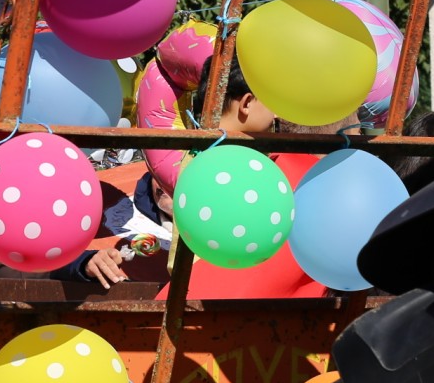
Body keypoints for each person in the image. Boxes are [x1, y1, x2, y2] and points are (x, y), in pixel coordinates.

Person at [61, 73, 280, 289]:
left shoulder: (252, 213)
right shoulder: (110, 202)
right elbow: (48, 259)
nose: (175, 175)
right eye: (179, 155)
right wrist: (85, 263)